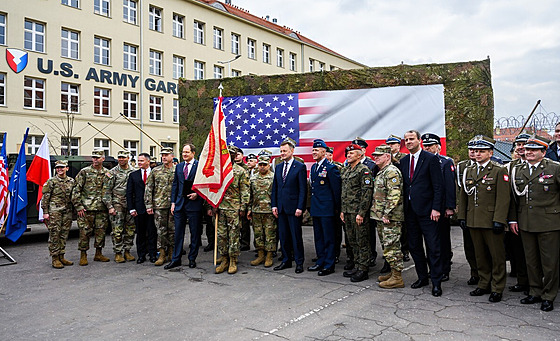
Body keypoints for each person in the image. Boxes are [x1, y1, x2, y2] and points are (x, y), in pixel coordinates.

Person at [509, 135, 560, 312]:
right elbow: (514, 198)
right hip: (526, 222)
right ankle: (535, 291)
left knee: (549, 262)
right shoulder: (518, 169)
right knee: (531, 261)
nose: (528, 152)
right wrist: (513, 219)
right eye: (527, 149)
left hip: (549, 222)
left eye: (533, 150)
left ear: (543, 152)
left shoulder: (554, 168)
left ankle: (548, 295)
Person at [458, 135, 510, 303]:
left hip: (491, 220)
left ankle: (497, 287)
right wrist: (462, 217)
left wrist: (499, 220)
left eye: (482, 151)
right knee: (480, 255)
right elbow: (464, 195)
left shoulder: (498, 170)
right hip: (474, 219)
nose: (478, 154)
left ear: (490, 152)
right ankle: (483, 283)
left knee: (496, 256)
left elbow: (503, 199)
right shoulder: (470, 170)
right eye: (476, 151)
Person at [397, 130, 444, 297]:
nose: (408, 142)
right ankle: (422, 277)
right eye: (406, 140)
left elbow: (438, 186)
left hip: (428, 211)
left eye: (411, 139)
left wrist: (436, 208)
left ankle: (436, 282)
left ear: (419, 140)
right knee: (415, 247)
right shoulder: (403, 162)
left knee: (433, 247)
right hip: (410, 212)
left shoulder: (430, 159)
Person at [421, 133, 456, 282]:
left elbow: (449, 186)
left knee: (442, 239)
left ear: (438, 147)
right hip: (426, 207)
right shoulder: (421, 161)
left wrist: (450, 207)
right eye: (426, 145)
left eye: (431, 145)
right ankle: (434, 268)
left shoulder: (445, 162)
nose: (428, 148)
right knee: (430, 240)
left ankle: (444, 268)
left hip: (441, 208)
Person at [212, 145, 250, 274]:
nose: (229, 156)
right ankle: (224, 259)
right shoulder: (218, 171)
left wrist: (243, 207)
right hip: (220, 207)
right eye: (227, 154)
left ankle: (233, 260)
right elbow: (213, 189)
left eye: (232, 154)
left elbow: (245, 190)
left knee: (233, 235)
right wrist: (213, 204)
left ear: (235, 156)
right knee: (221, 235)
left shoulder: (240, 171)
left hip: (234, 208)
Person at [271, 137, 307, 274]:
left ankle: (299, 262)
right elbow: (275, 187)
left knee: (295, 236)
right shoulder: (279, 167)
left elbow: (303, 189)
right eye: (281, 151)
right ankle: (286, 260)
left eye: (285, 151)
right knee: (284, 235)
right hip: (281, 208)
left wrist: (300, 207)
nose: (282, 153)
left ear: (292, 151)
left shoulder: (300, 167)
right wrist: (274, 205)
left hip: (294, 208)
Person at [371, 145, 405, 288]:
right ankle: (393, 272)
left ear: (387, 156)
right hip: (381, 216)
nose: (375, 157)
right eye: (375, 155)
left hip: (390, 217)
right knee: (386, 245)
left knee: (392, 246)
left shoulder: (391, 172)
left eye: (379, 155)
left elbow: (394, 195)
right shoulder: (382, 172)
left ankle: (397, 278)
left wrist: (387, 213)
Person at [166, 144, 204, 269]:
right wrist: (173, 203)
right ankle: (176, 259)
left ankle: (192, 258)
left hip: (194, 204)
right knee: (178, 233)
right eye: (183, 152)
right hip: (179, 205)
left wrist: (197, 194)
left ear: (193, 153)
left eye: (187, 152)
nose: (184, 154)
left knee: (194, 233)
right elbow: (175, 186)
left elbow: (204, 185)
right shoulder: (179, 167)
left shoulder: (200, 166)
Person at [308, 139, 342, 276]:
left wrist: (337, 209)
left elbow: (336, 190)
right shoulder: (314, 167)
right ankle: (320, 261)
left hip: (327, 209)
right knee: (319, 237)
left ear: (324, 151)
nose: (314, 152)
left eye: (316, 150)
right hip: (317, 208)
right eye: (313, 150)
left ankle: (329, 264)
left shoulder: (330, 168)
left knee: (329, 238)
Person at [72, 149, 111, 266]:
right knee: (84, 232)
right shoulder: (85, 172)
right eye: (93, 157)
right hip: (87, 209)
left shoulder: (107, 173)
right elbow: (76, 190)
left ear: (103, 159)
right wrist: (78, 206)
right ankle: (83, 255)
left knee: (101, 232)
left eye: (97, 158)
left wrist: (110, 206)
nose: (95, 160)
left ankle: (98, 253)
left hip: (102, 208)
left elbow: (109, 191)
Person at [340, 143, 373, 282]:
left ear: (359, 155)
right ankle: (357, 264)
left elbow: (367, 193)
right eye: (347, 153)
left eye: (352, 153)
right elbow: (344, 192)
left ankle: (363, 269)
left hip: (357, 212)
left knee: (362, 241)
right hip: (347, 211)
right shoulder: (346, 170)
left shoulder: (363, 170)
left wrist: (361, 213)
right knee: (351, 240)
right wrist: (342, 210)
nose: (348, 155)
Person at [505, 133, 531, 294]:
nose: (521, 147)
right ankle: (523, 281)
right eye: (518, 144)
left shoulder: (548, 165)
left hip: (539, 217)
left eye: (524, 144)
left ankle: (537, 283)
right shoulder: (510, 167)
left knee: (536, 253)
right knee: (519, 252)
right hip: (516, 216)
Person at [103, 150, 135, 263]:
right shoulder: (112, 173)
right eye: (119, 157)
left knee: (130, 229)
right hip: (117, 204)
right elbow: (106, 191)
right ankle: (118, 252)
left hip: (130, 204)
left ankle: (127, 250)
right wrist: (110, 206)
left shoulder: (133, 171)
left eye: (123, 157)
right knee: (117, 230)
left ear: (128, 158)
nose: (121, 159)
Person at [145, 147, 176, 266]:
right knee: (161, 231)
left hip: (173, 206)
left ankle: (172, 253)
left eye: (166, 155)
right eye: (162, 155)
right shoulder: (155, 171)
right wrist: (148, 204)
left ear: (172, 156)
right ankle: (162, 253)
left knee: (173, 230)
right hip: (159, 205)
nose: (164, 157)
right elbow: (149, 189)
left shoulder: (177, 170)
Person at [41, 160, 75, 269]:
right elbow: (45, 198)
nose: (59, 169)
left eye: (62, 167)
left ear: (67, 168)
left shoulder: (71, 181)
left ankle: (62, 256)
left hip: (67, 211)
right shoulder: (51, 181)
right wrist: (45, 212)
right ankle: (55, 258)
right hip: (54, 211)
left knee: (64, 234)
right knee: (55, 234)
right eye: (58, 168)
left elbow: (74, 196)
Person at [352, 137, 379, 269]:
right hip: (353, 206)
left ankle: (371, 254)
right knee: (356, 234)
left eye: (357, 149)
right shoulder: (349, 164)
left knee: (369, 232)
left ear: (363, 150)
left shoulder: (371, 165)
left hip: (368, 204)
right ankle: (358, 258)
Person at [455, 139, 480, 285]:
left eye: (476, 150)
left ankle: (486, 275)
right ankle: (474, 272)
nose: (473, 152)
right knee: (469, 246)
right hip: (468, 211)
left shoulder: (495, 165)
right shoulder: (462, 166)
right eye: (471, 149)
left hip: (484, 213)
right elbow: (461, 190)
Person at [126, 152, 157, 263]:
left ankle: (153, 254)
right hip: (138, 209)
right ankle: (141, 255)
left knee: (152, 232)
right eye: (138, 161)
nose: (139, 163)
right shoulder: (133, 175)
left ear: (148, 161)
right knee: (140, 233)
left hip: (152, 208)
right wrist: (131, 208)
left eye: (141, 161)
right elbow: (129, 193)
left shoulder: (155, 173)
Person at [247, 155, 276, 267]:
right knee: (258, 234)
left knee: (270, 234)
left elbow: (276, 195)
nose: (262, 167)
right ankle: (260, 255)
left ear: (269, 165)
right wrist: (249, 209)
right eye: (260, 165)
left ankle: (269, 255)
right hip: (256, 211)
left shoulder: (274, 178)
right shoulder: (253, 178)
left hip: (269, 211)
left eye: (265, 165)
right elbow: (250, 195)